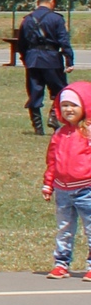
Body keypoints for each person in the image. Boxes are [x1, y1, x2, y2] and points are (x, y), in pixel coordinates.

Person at [42, 81, 91, 278]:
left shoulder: (88, 133)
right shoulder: (59, 134)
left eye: (74, 105)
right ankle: (61, 263)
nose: (69, 109)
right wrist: (48, 183)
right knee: (64, 228)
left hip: (86, 190)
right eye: (65, 105)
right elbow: (52, 160)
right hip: (62, 190)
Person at [21, 0, 74, 135]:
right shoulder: (56, 19)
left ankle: (37, 128)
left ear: (38, 2)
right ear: (52, 2)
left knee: (34, 92)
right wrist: (69, 59)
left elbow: (21, 43)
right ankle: (53, 116)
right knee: (61, 91)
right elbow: (64, 41)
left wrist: (26, 59)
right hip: (51, 59)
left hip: (33, 60)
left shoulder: (27, 19)